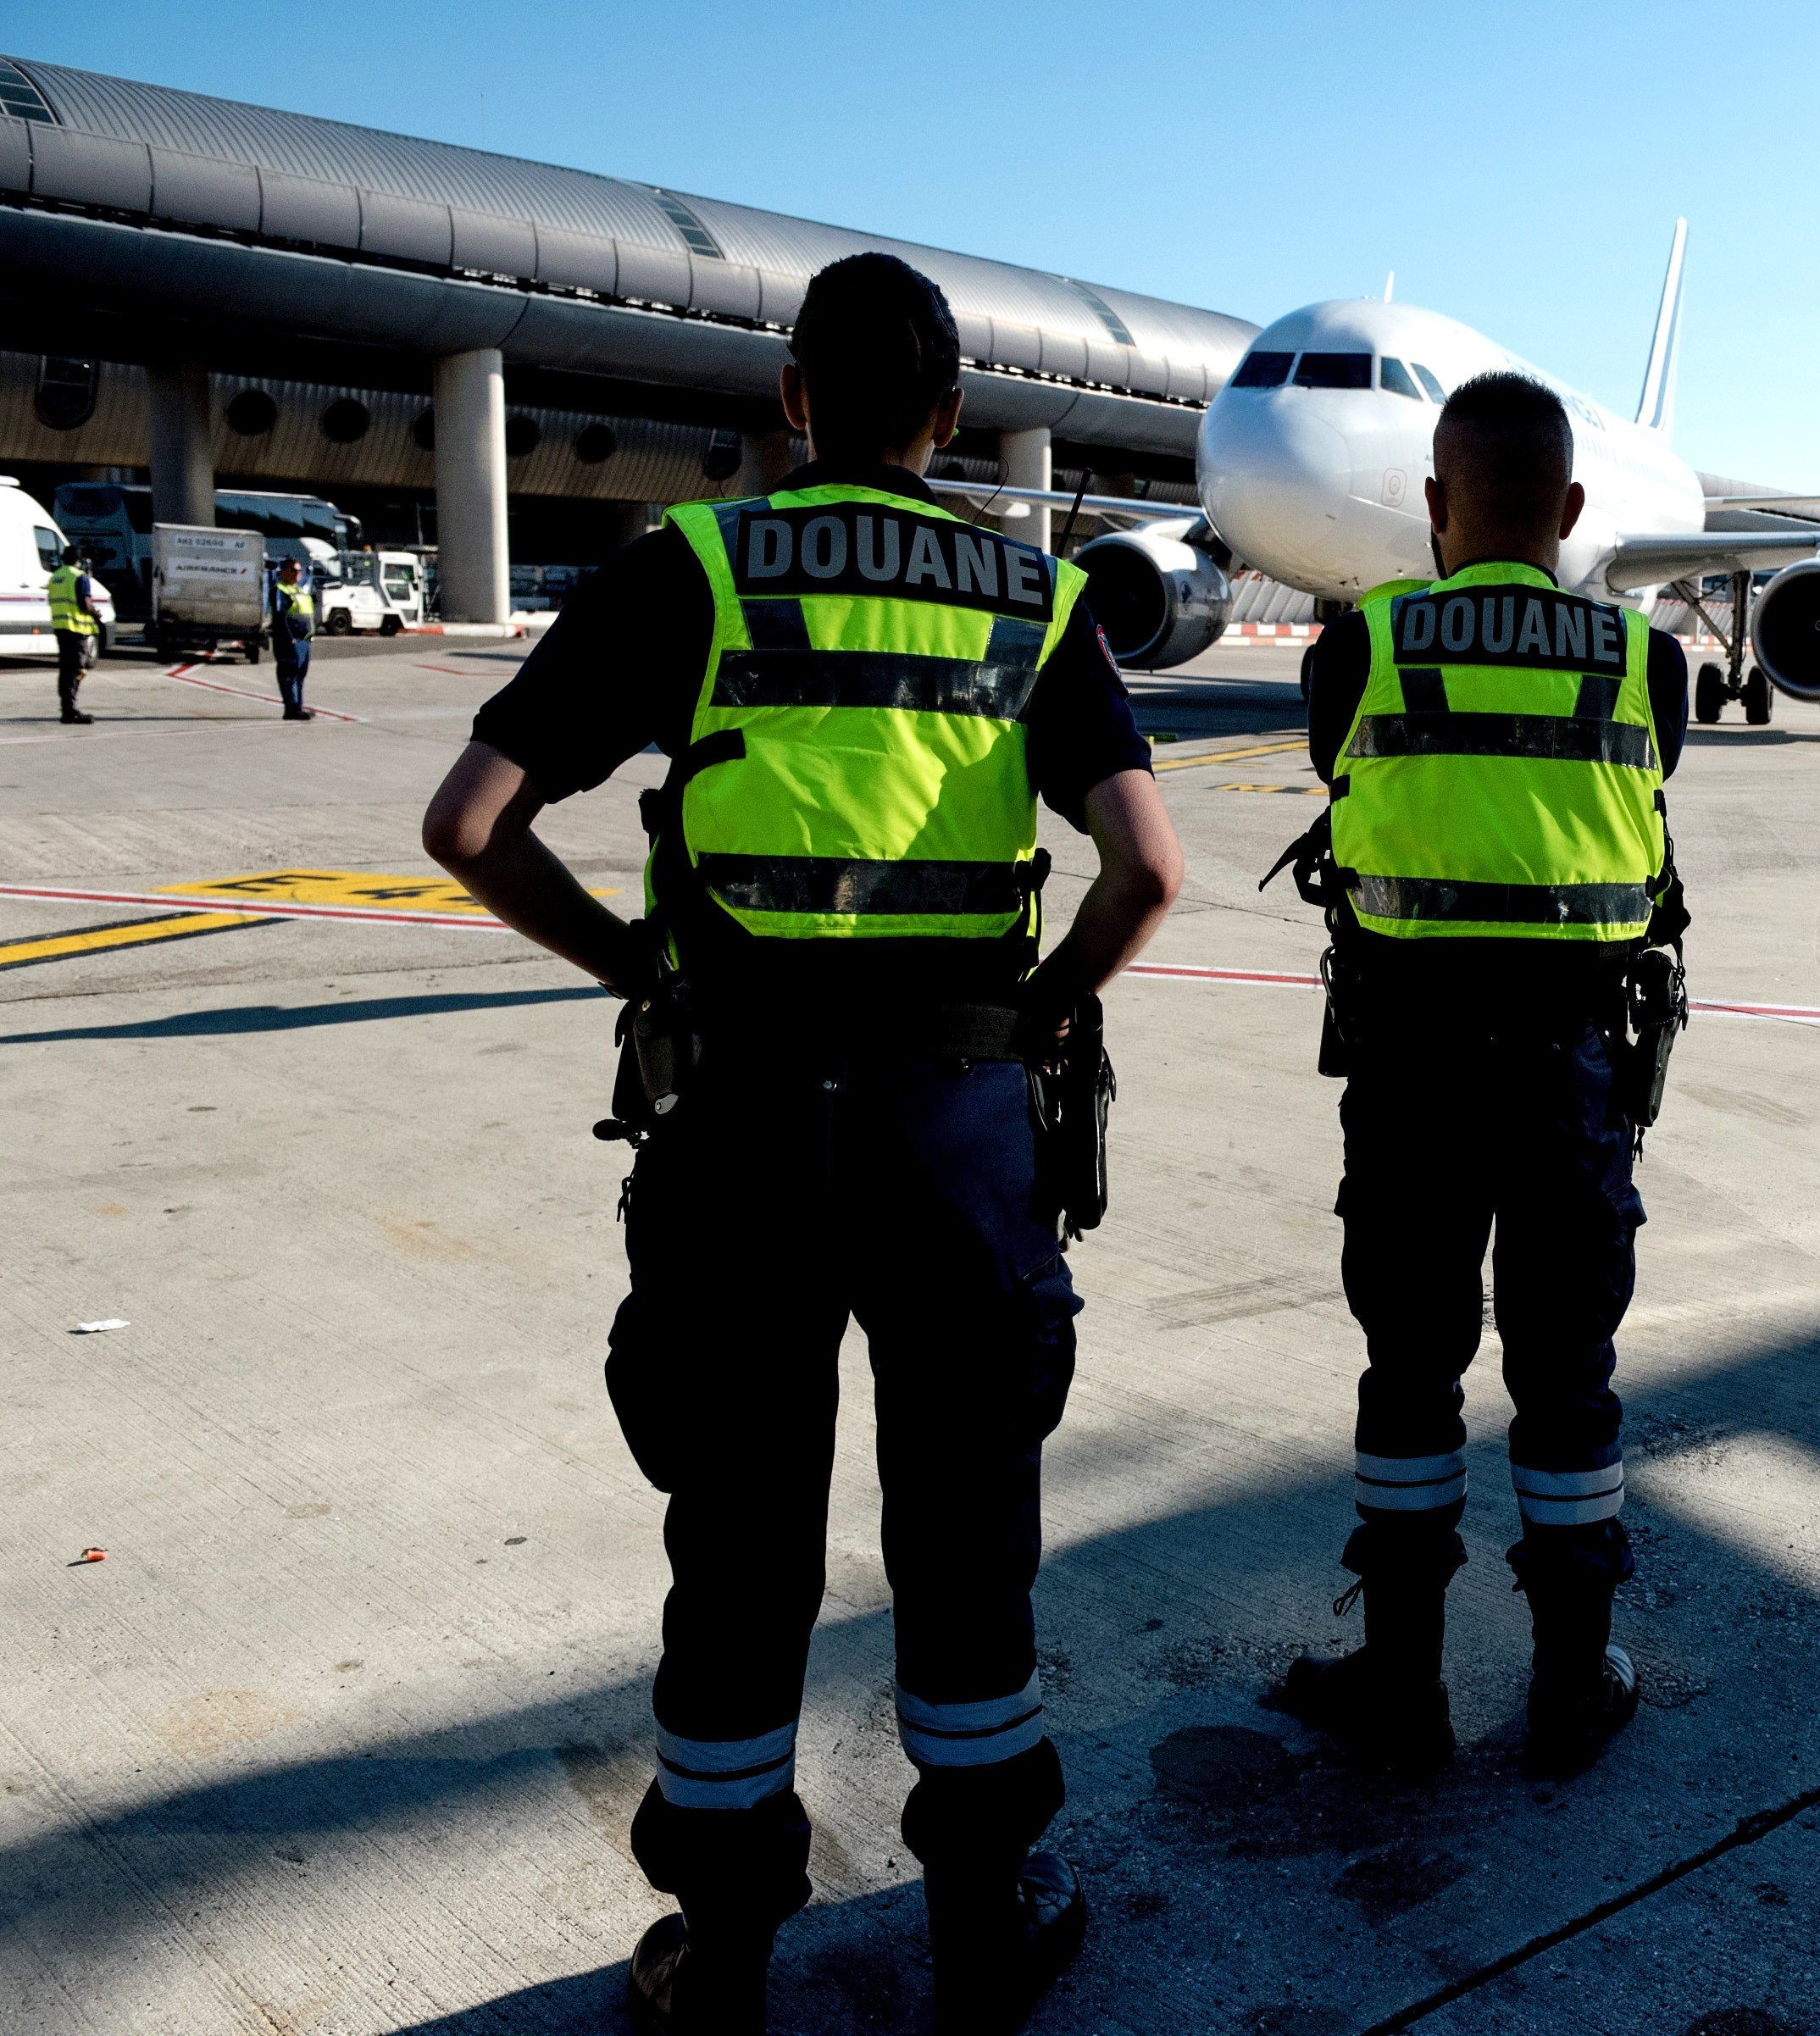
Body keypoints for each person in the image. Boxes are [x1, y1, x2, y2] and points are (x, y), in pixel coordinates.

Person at [421, 252, 1185, 2035]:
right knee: (968, 1522)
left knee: (743, 1533)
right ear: (946, 415)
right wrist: (1048, 1003)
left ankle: (727, 1943)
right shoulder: (1036, 590)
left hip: (742, 1117)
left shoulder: (688, 569)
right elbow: (1147, 866)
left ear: (789, 400)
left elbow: (468, 821)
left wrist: (636, 958)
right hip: (957, 1120)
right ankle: (986, 1913)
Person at [1275, 371, 1690, 1783]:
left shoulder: (1361, 651)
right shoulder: (1647, 662)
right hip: (1576, 1066)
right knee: (1568, 1368)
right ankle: (1572, 1685)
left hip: (1411, 1067)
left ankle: (1405, 1684)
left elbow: (1346, 779)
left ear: (1436, 508)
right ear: (1572, 513)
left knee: (1410, 1361)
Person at [47, 545, 97, 724]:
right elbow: (85, 604)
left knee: (66, 670)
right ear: (80, 559)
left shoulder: (55, 577)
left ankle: (66, 708)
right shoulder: (79, 577)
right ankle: (70, 711)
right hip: (76, 631)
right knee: (77, 670)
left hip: (60, 628)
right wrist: (96, 614)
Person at [268, 555, 314, 720]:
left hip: (304, 640)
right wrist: (289, 637)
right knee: (289, 674)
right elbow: (280, 616)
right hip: (289, 640)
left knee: (300, 675)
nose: (297, 574)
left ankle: (297, 707)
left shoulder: (299, 590)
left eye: (299, 571)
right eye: (293, 570)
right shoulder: (280, 590)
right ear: (285, 572)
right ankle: (292, 707)